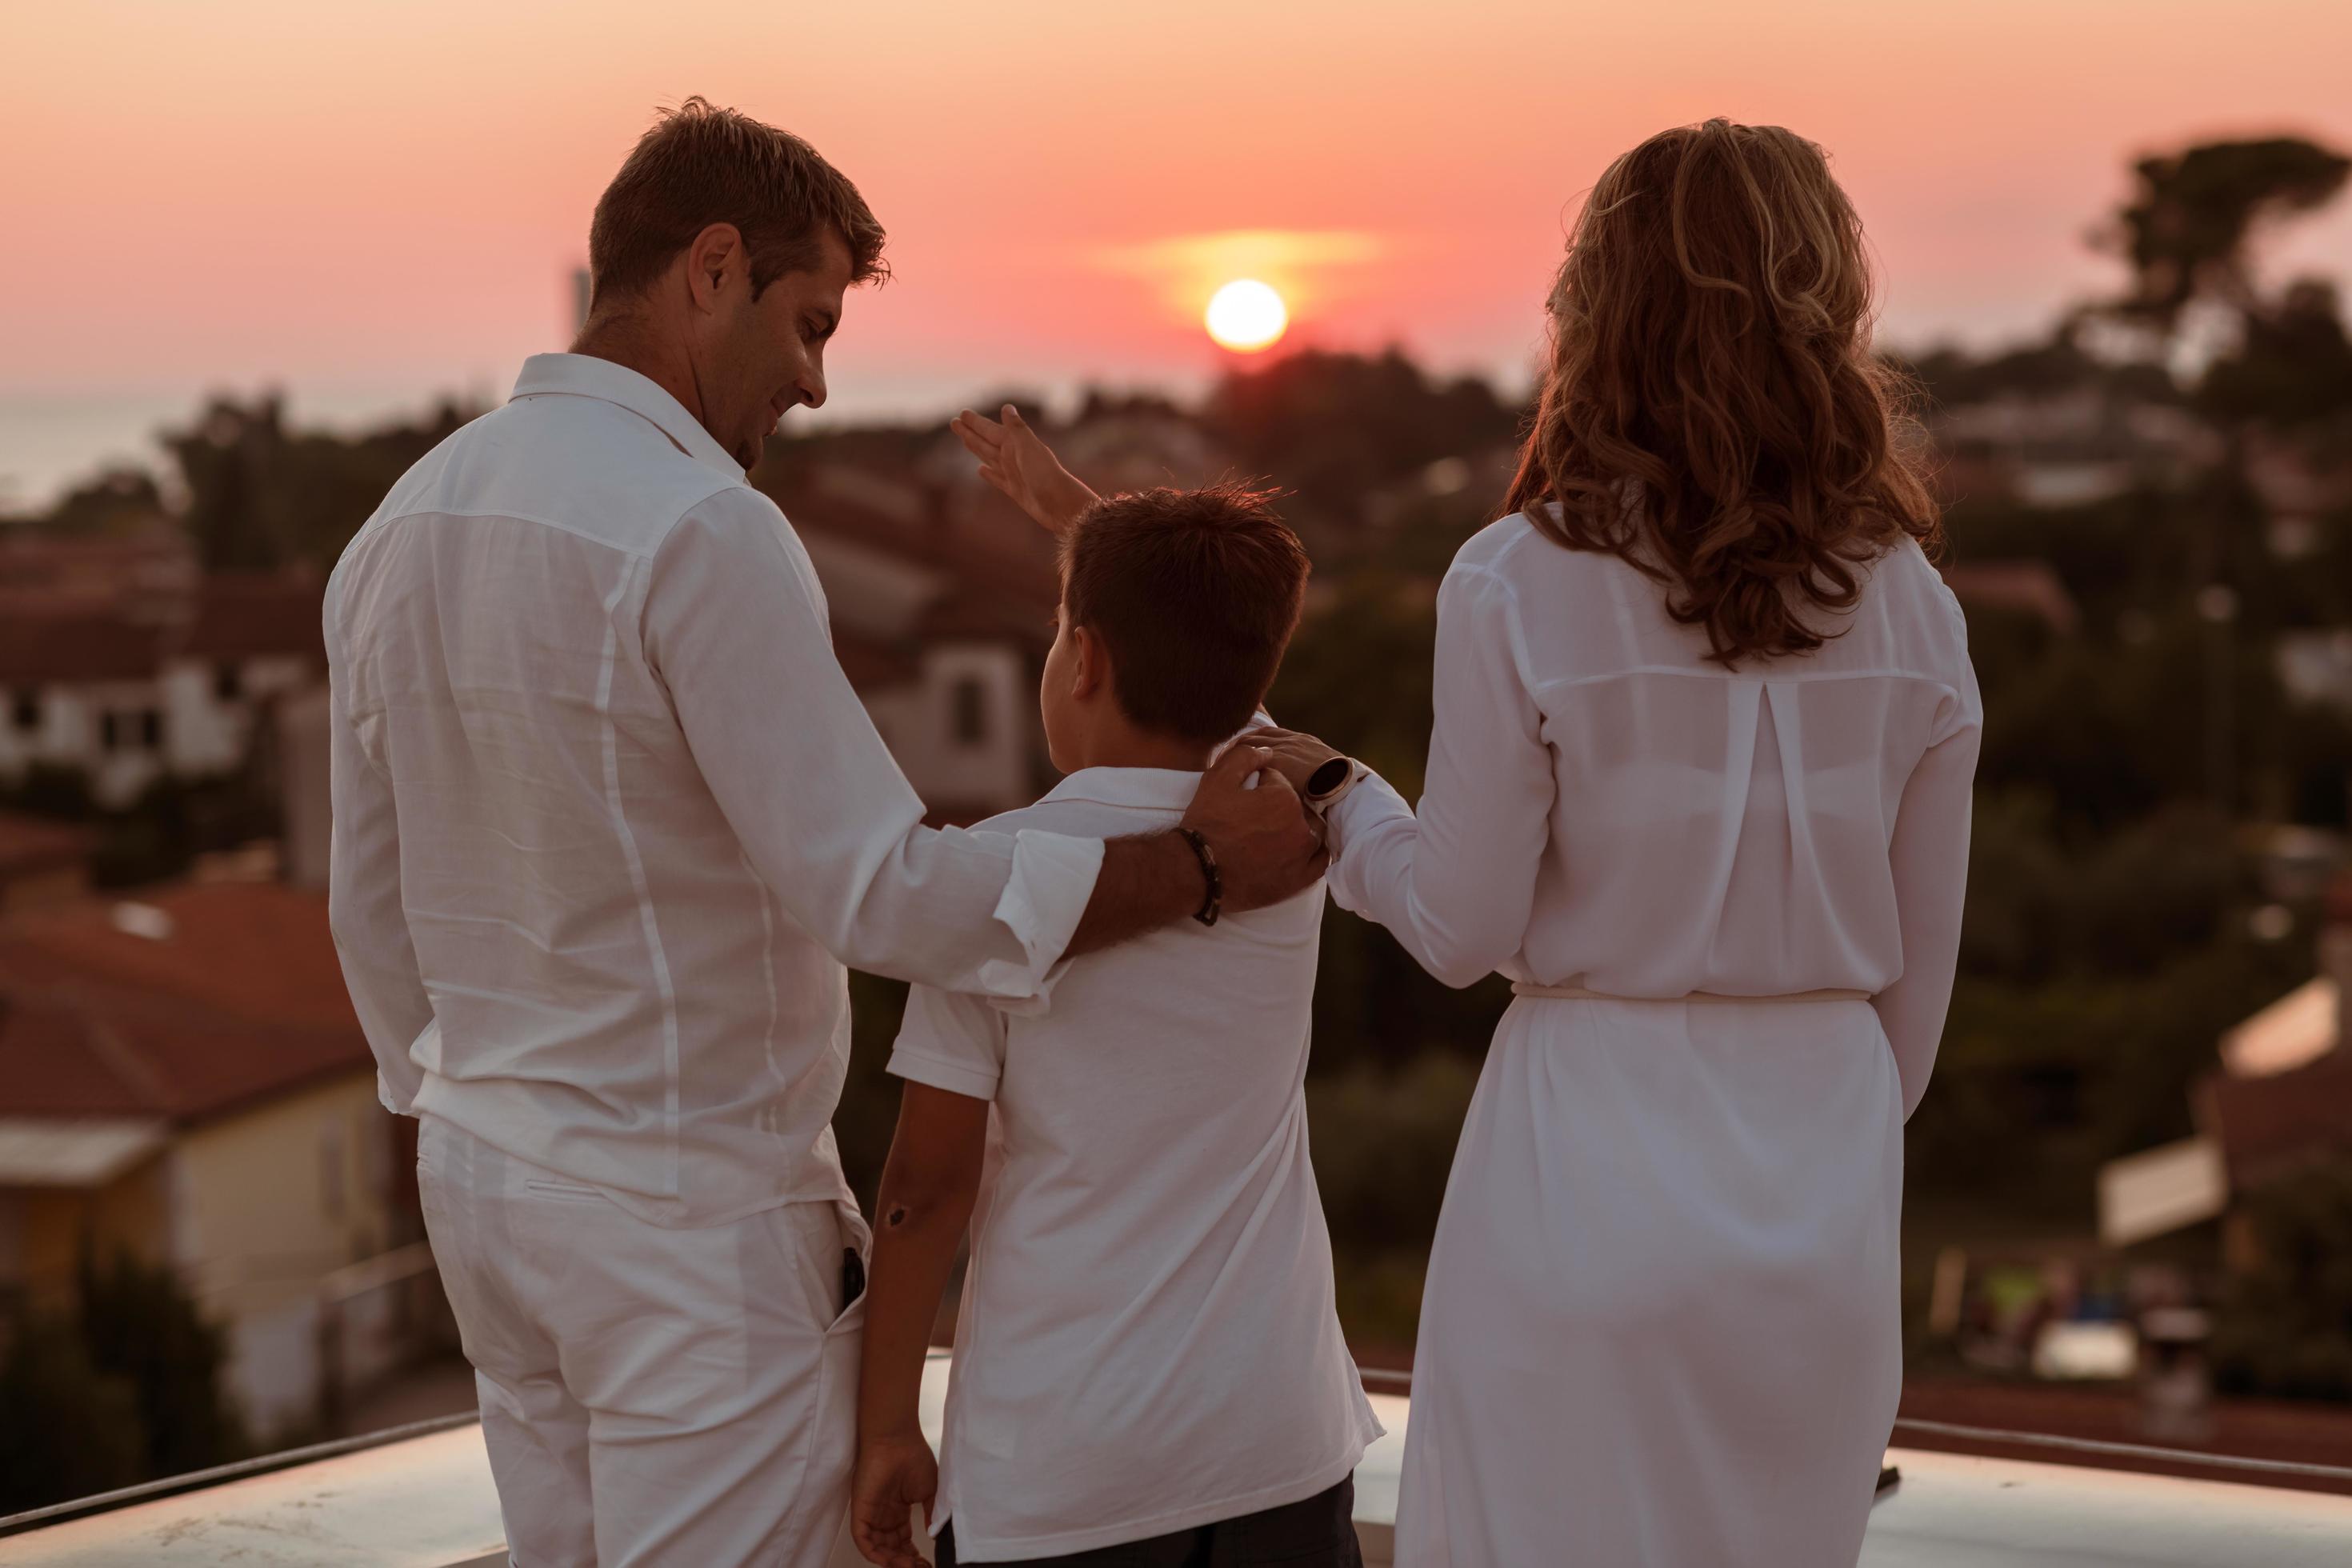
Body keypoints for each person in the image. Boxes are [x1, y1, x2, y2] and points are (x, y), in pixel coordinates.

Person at [960, 118, 1980, 1566]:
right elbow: (1914, 1026)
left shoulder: (1523, 577)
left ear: (1601, 308)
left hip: (1588, 1154)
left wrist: (1339, 792)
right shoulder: (1919, 607)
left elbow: (1458, 927)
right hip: (1821, 1184)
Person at [323, 98, 1327, 1568]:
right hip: (681, 1228)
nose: (809, 383)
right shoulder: (699, 529)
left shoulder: (398, 524)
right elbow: (888, 894)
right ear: (710, 266)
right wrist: (1196, 869)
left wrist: (470, 1111)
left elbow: (370, 903)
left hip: (485, 1199)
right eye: (807, 326)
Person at [848, 486, 1382, 1568]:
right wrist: (1080, 514)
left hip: (1067, 1470)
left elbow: (925, 1192)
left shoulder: (995, 875)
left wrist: (888, 1426)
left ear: (1082, 658)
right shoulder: (1290, 838)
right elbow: (1231, 661)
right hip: (1280, 1439)